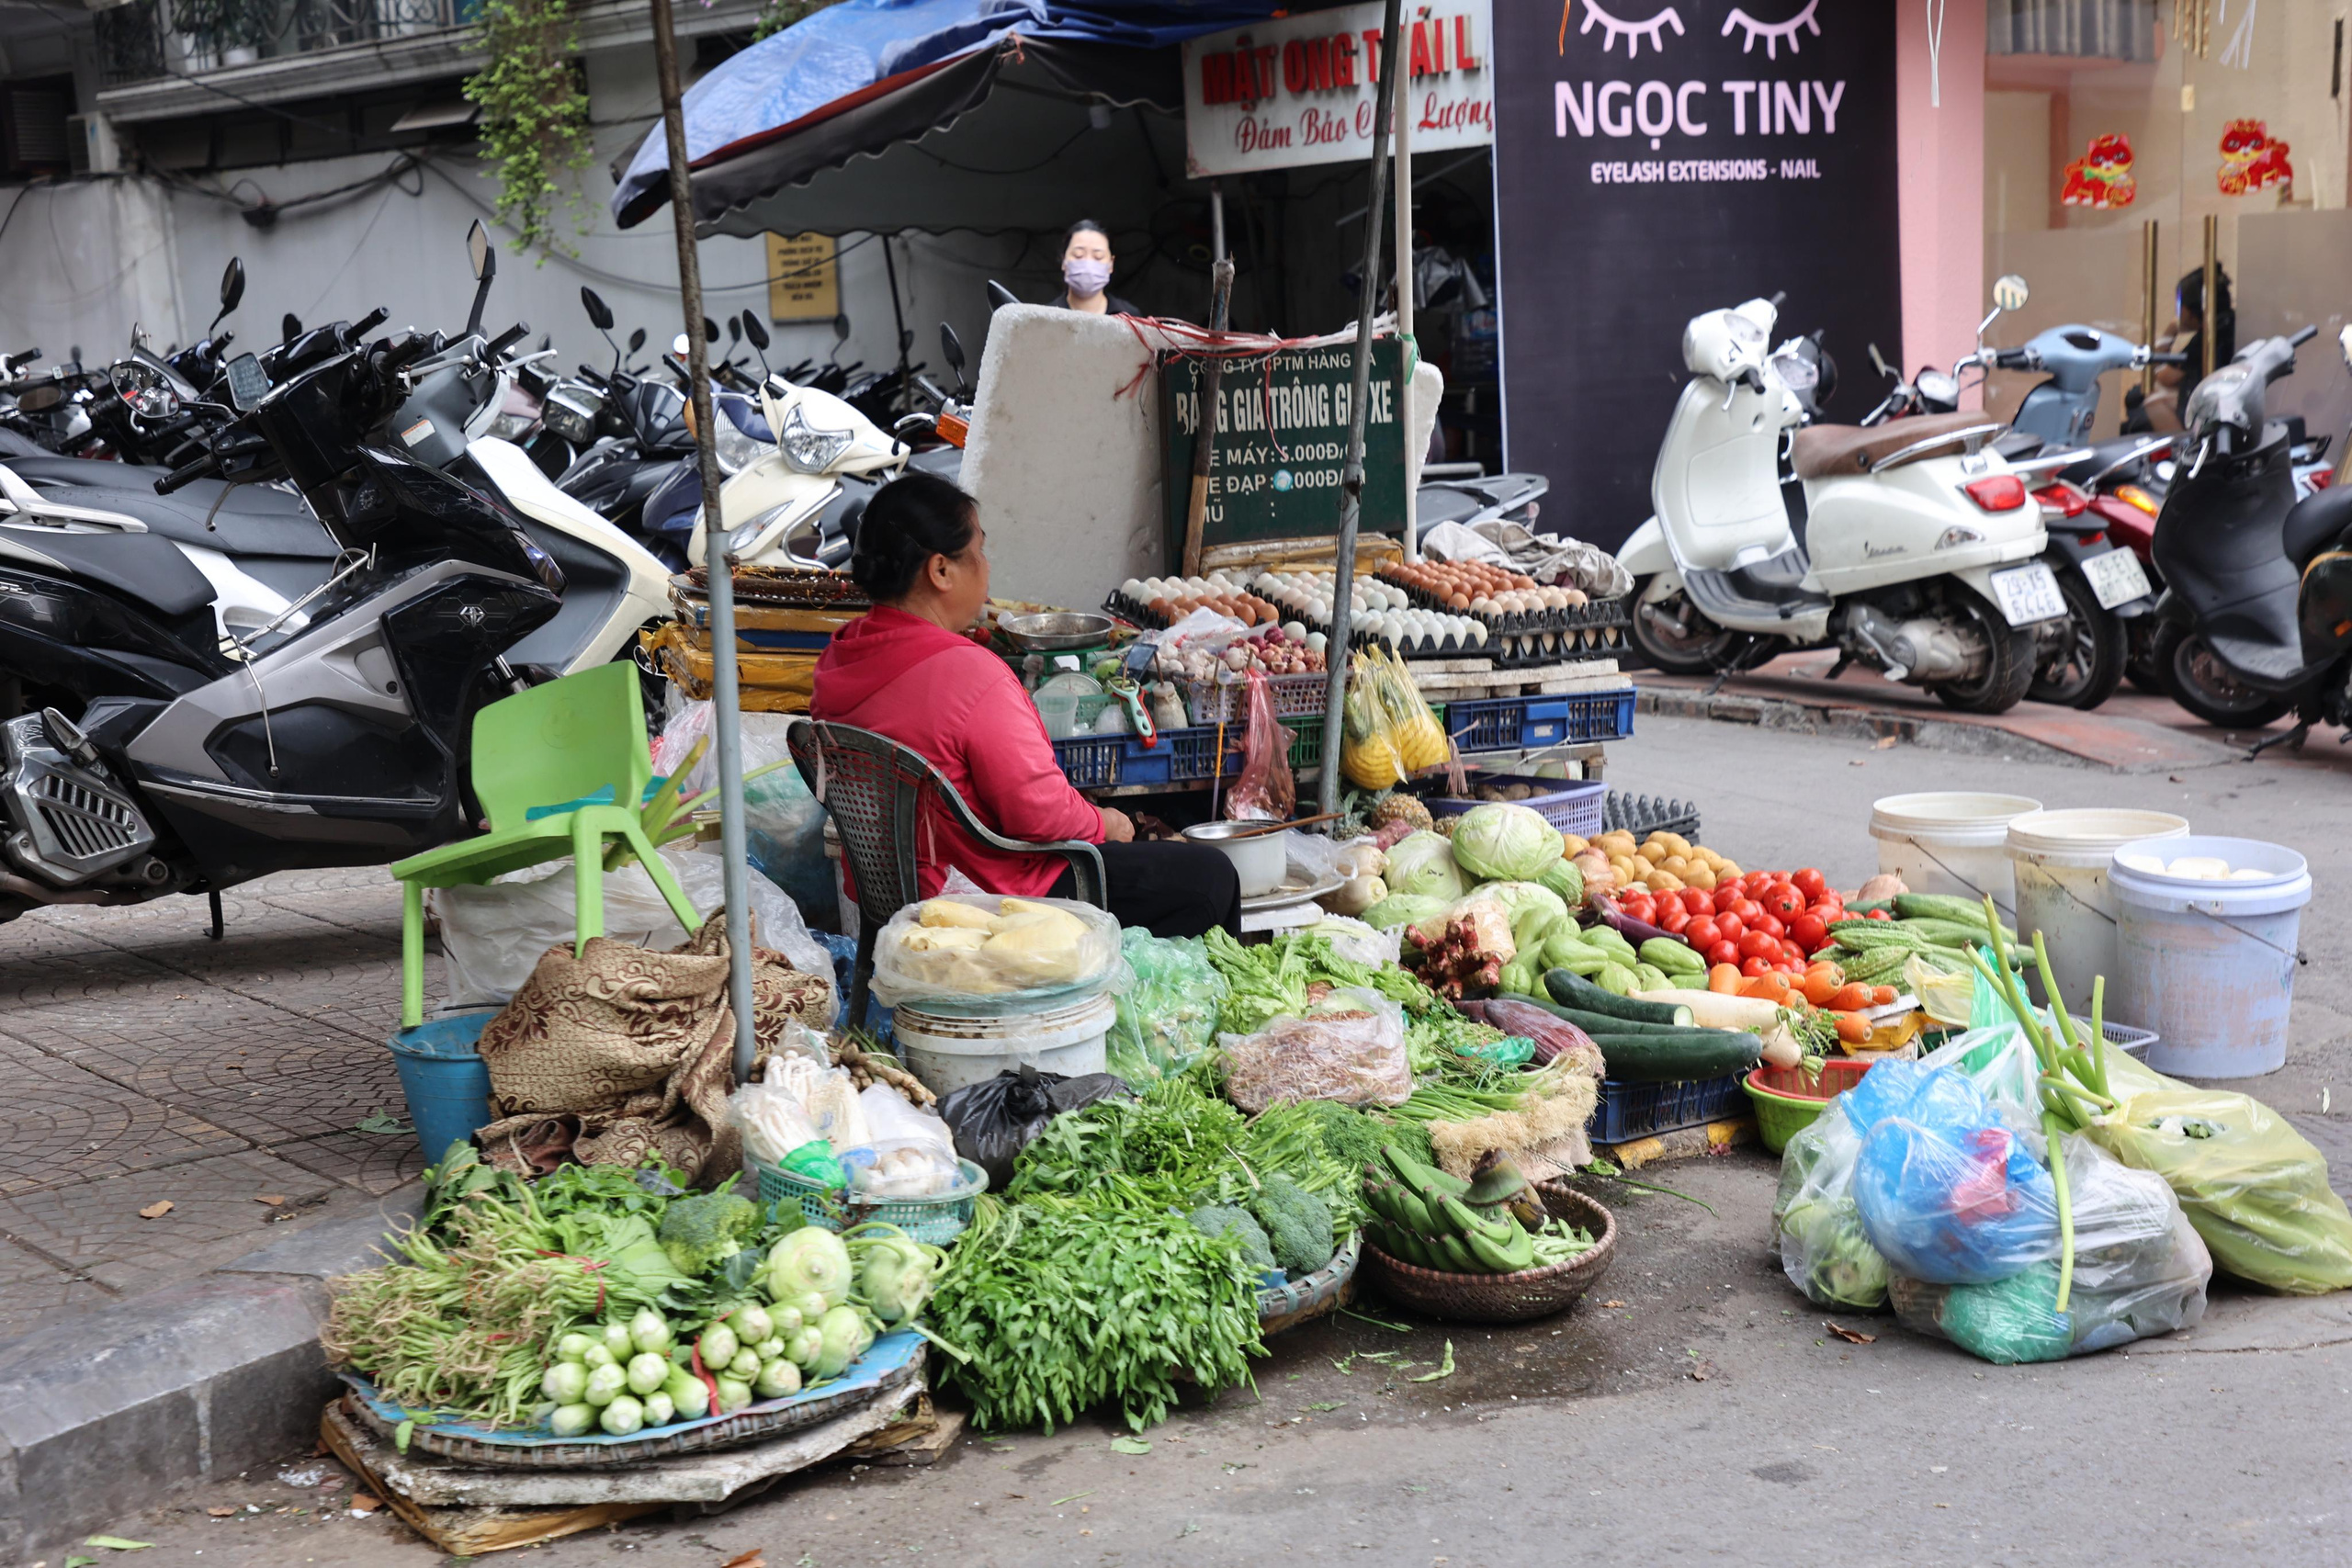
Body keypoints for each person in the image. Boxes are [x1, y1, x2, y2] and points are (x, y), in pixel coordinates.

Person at [809, 471, 1239, 939]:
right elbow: (1039, 813)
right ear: (941, 571)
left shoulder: (839, 659)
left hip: (892, 895)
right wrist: (1105, 822)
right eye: (979, 551)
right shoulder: (966, 672)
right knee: (1211, 877)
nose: (986, 567)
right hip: (990, 900)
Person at [2126, 264, 2236, 434]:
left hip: (2209, 413)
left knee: (2145, 398)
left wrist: (2171, 330)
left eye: (2179, 305)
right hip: (2219, 402)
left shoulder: (2208, 338)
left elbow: (2161, 376)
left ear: (2191, 311)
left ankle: (2183, 446)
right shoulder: (2226, 324)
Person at [1050, 219, 1140, 317]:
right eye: (1078, 255)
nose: (1088, 265)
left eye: (1098, 257)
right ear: (1064, 260)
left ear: (1111, 264)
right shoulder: (1047, 316)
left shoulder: (1129, 316)